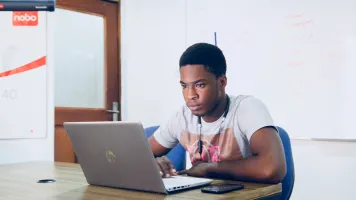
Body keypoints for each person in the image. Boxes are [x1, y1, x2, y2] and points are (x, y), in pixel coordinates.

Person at [148, 43, 286, 184]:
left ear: (221, 82)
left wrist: (210, 169)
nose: (190, 95)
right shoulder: (182, 116)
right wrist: (152, 162)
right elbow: (134, 156)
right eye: (184, 86)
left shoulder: (246, 108)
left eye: (200, 85)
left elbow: (271, 169)